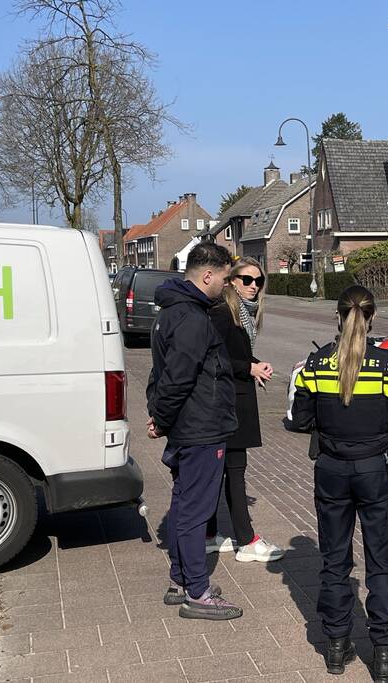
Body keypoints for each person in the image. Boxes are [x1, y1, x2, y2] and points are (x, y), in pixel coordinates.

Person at [287, 285, 388, 682]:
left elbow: (300, 418)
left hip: (330, 470)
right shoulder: (386, 365)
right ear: (372, 317)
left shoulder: (316, 363)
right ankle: (382, 654)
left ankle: (337, 648)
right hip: (375, 471)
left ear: (338, 317)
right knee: (380, 565)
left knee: (334, 562)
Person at [146, 242, 243, 621]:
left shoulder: (173, 312)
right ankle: (198, 593)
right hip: (200, 427)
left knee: (185, 504)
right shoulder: (191, 318)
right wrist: (163, 417)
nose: (226, 285)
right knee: (195, 510)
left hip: (189, 424)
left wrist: (160, 415)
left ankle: (181, 580)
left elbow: (162, 374)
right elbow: (178, 377)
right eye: (223, 278)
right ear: (207, 275)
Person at [204, 256, 284, 563]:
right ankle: (247, 541)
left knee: (223, 472)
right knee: (235, 473)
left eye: (259, 281)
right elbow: (215, 358)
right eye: (247, 280)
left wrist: (254, 364)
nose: (254, 286)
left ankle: (209, 535)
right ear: (232, 281)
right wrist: (248, 369)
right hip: (229, 404)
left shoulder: (241, 315)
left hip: (232, 401)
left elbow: (233, 354)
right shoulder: (224, 313)